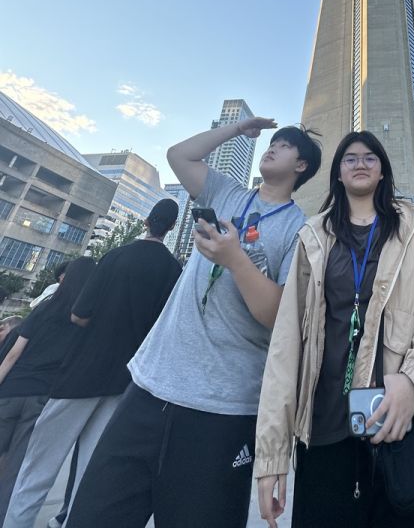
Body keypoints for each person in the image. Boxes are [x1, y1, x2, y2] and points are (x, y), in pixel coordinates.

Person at [65, 118, 321, 528]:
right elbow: (179, 155)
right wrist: (238, 128)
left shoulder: (300, 230)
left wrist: (236, 261)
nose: (273, 147)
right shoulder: (226, 192)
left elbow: (279, 316)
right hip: (151, 385)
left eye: (286, 145)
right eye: (272, 141)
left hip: (224, 408)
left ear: (302, 166)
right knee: (93, 517)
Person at [255, 130, 414, 528]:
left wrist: (413, 381)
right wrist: (272, 454)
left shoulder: (411, 230)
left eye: (370, 157)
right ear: (338, 173)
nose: (360, 163)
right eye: (350, 158)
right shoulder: (313, 237)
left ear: (382, 171)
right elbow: (286, 343)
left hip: (400, 422)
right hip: (324, 429)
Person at [5, 198, 182, 528]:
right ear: (172, 227)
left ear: (146, 222)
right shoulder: (174, 270)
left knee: (38, 468)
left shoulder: (115, 256)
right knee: (89, 474)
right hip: (125, 381)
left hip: (81, 374)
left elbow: (79, 315)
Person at [0, 257, 97, 522]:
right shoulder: (87, 320)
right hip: (43, 397)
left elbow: (13, 354)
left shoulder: (45, 307)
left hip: (11, 390)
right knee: (16, 468)